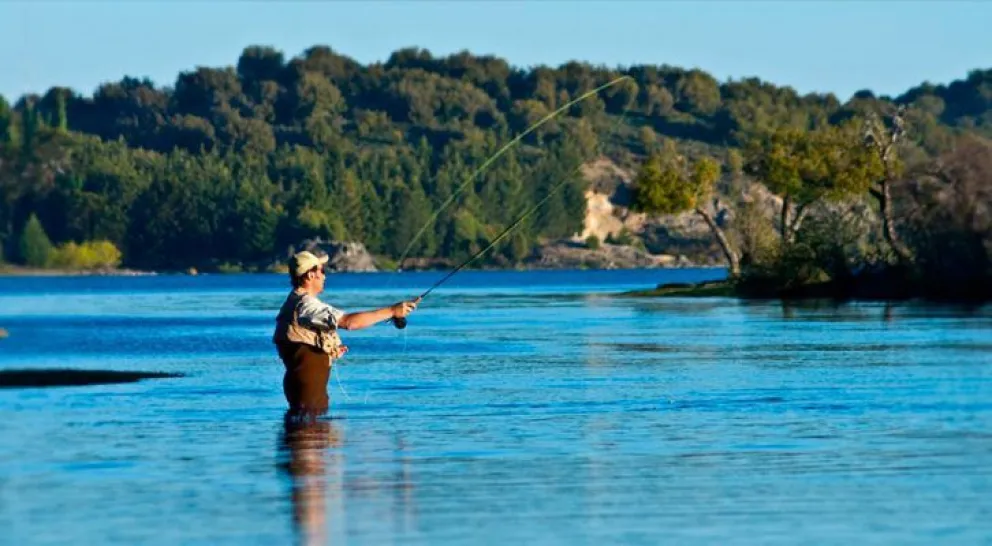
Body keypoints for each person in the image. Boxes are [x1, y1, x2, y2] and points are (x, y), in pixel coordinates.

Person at [273, 250, 419, 414]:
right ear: (310, 276)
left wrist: (327, 351)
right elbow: (349, 322)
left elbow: (301, 342)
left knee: (314, 433)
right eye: (322, 271)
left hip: (305, 388)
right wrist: (392, 311)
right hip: (307, 391)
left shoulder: (297, 302)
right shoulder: (306, 305)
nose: (325, 276)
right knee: (310, 433)